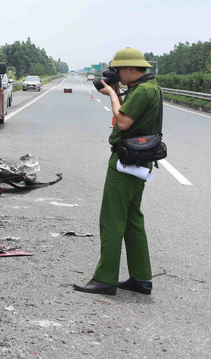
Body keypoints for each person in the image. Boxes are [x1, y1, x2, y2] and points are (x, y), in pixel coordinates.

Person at [74, 47, 160, 296]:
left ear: (131, 68)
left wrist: (112, 92)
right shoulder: (149, 87)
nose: (117, 74)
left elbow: (123, 121)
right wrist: (116, 91)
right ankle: (141, 278)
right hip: (140, 159)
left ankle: (105, 279)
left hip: (126, 161)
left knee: (112, 219)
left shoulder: (141, 91)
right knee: (132, 219)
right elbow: (129, 113)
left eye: (119, 69)